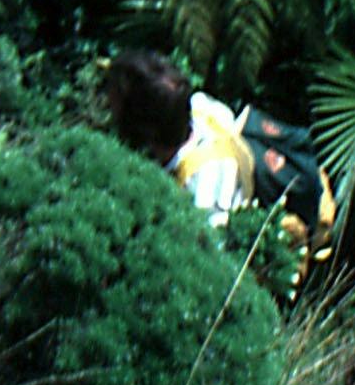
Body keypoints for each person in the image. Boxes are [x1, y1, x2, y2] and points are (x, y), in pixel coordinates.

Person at [100, 47, 338, 274]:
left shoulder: (204, 192)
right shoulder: (202, 107)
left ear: (145, 129)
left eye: (114, 108)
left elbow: (213, 265)